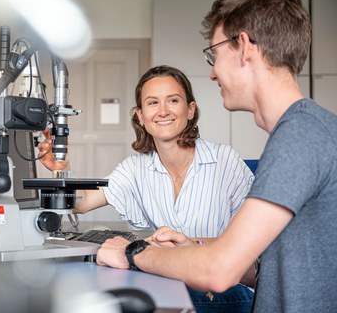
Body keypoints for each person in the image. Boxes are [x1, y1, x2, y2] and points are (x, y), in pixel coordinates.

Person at [96, 0, 337, 312]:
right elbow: (263, 267)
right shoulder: (306, 130)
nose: (212, 74)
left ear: (245, 48)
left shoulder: (300, 136)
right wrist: (191, 247)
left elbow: (219, 272)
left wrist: (132, 252)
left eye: (214, 55)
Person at [39, 65, 255, 312]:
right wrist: (60, 168)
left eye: (173, 100)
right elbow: (83, 202)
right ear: (140, 116)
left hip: (226, 285)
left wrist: (180, 249)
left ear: (190, 110)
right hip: (174, 277)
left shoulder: (225, 160)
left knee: (126, 297)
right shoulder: (135, 168)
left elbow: (253, 242)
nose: (163, 111)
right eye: (152, 103)